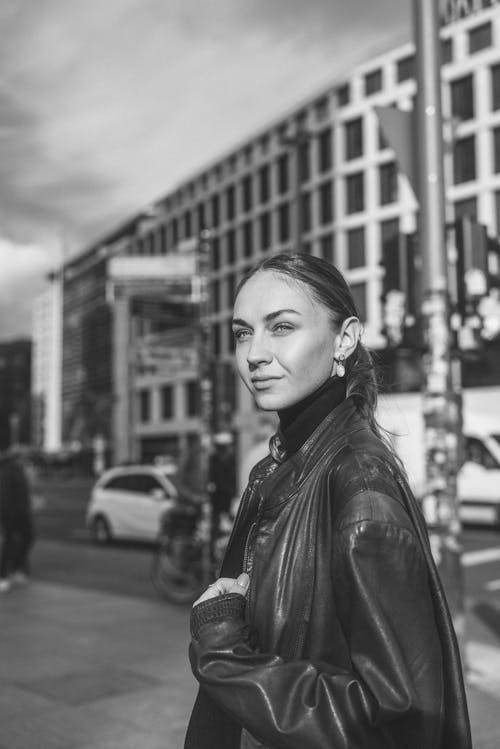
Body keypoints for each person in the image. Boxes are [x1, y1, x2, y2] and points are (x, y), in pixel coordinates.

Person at [184, 252, 472, 749]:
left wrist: (224, 648)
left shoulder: (358, 487)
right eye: (242, 332)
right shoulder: (279, 467)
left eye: (281, 327)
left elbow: (396, 722)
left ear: (345, 338)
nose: (253, 353)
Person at [0, 449, 35, 593]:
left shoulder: (20, 471)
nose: (26, 460)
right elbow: (4, 495)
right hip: (10, 514)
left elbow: (24, 491)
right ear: (16, 458)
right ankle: (3, 575)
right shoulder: (7, 471)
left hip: (23, 514)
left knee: (28, 537)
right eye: (24, 457)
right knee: (9, 543)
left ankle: (16, 569)